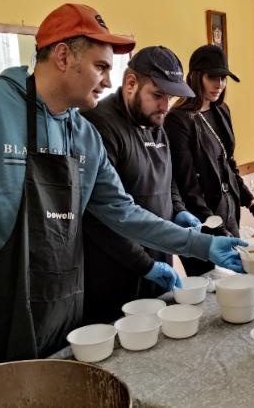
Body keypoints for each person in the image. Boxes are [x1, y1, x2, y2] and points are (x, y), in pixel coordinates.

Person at [0, 3, 245, 377]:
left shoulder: (84, 135)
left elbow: (124, 213)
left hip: (58, 316)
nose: (109, 82)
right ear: (62, 56)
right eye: (101, 67)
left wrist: (201, 244)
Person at [80, 45, 200, 324]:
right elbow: (101, 215)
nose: (165, 106)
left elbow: (167, 176)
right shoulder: (99, 124)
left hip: (159, 258)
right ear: (131, 83)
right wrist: (145, 264)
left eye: (169, 97)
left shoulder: (156, 119)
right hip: (115, 269)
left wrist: (178, 208)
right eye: (158, 95)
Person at [165, 44, 254, 276]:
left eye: (223, 78)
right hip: (198, 219)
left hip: (228, 208)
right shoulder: (178, 120)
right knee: (209, 284)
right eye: (212, 77)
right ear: (195, 77)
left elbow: (229, 164)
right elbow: (187, 185)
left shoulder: (221, 110)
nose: (220, 84)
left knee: (238, 275)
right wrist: (214, 224)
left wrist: (252, 203)